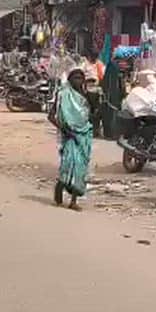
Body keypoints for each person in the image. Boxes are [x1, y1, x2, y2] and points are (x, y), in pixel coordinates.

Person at [53, 69, 94, 210]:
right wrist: (66, 130)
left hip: (84, 136)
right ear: (70, 79)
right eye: (75, 78)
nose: (78, 81)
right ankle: (60, 186)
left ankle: (73, 201)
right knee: (68, 165)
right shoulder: (63, 94)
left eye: (81, 78)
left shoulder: (84, 95)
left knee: (80, 168)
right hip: (69, 136)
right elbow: (51, 116)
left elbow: (88, 114)